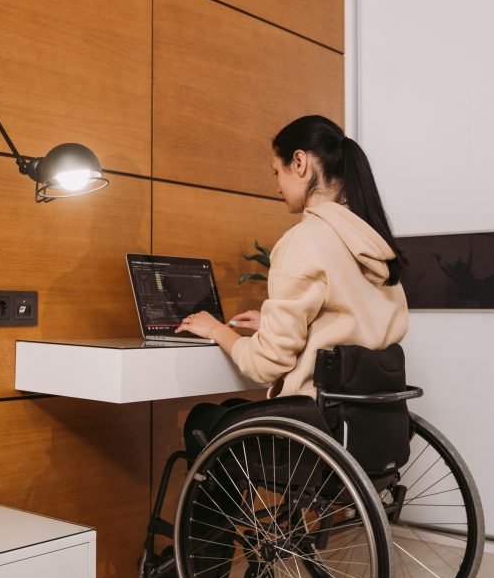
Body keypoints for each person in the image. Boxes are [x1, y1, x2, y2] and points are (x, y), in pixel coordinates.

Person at [175, 114, 409, 399]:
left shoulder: (305, 240)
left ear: (299, 163)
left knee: (202, 420)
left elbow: (265, 364)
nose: (277, 187)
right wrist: (272, 325)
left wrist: (216, 330)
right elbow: (355, 332)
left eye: (277, 172)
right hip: (369, 423)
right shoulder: (371, 240)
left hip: (314, 420)